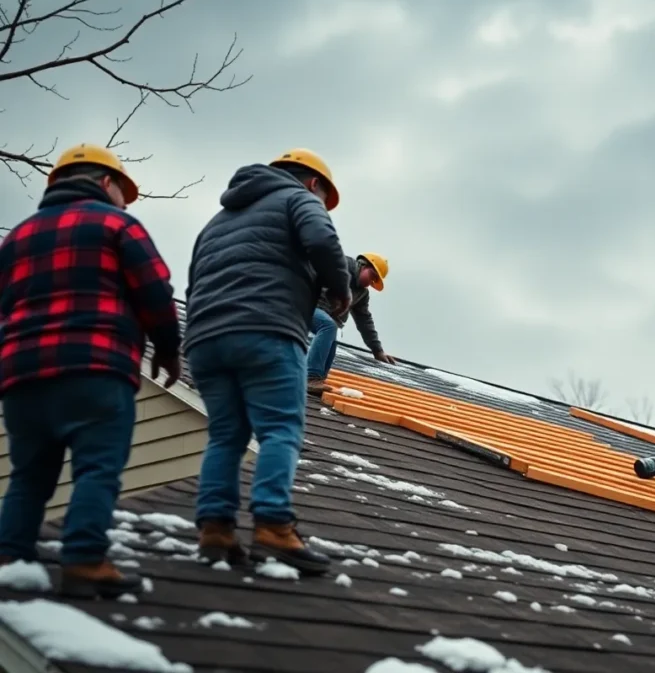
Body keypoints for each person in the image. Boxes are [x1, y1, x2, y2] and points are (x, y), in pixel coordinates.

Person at [0, 144, 181, 598]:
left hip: (21, 374)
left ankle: (9, 556)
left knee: (28, 474)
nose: (125, 200)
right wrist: (168, 347)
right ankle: (84, 560)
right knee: (98, 467)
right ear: (106, 182)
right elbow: (155, 288)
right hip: (95, 366)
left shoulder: (16, 236)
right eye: (124, 190)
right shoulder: (117, 224)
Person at [184, 148, 352, 575]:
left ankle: (216, 529)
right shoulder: (299, 198)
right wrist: (340, 288)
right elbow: (321, 239)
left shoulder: (217, 221)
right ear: (313, 182)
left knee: (226, 435)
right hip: (265, 328)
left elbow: (194, 277)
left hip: (205, 337)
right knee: (280, 428)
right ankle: (274, 525)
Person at [307, 252, 395, 395]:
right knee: (329, 326)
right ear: (363, 265)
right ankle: (311, 377)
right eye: (372, 276)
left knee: (333, 332)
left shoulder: (362, 293)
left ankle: (317, 379)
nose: (370, 283)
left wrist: (377, 350)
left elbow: (364, 320)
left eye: (374, 281)